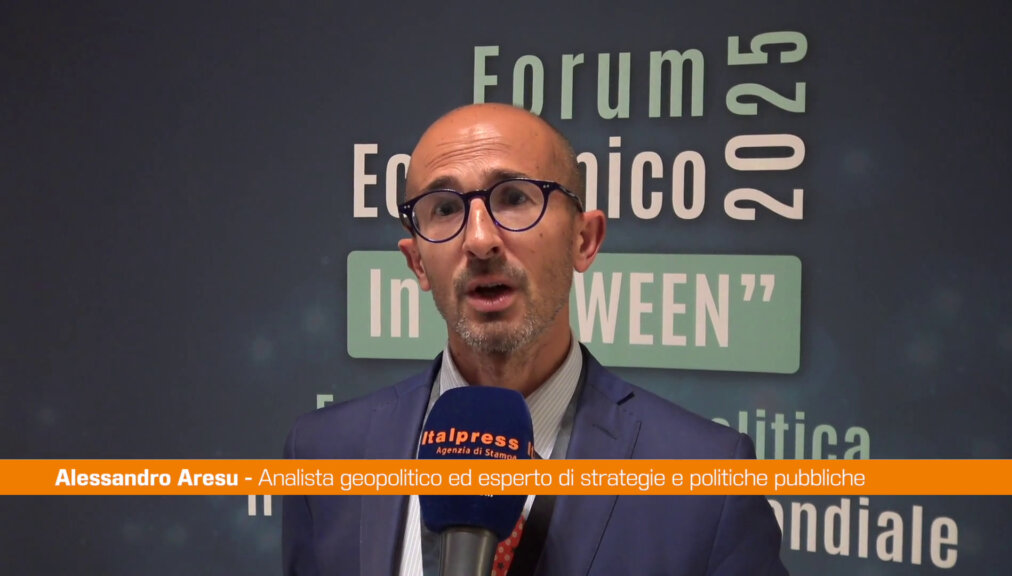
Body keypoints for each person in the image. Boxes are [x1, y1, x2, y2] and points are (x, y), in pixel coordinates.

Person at [282, 103, 788, 575]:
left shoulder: (710, 483)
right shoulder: (322, 453)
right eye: (445, 208)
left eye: (515, 198)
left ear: (584, 240)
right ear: (417, 262)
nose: (479, 240)